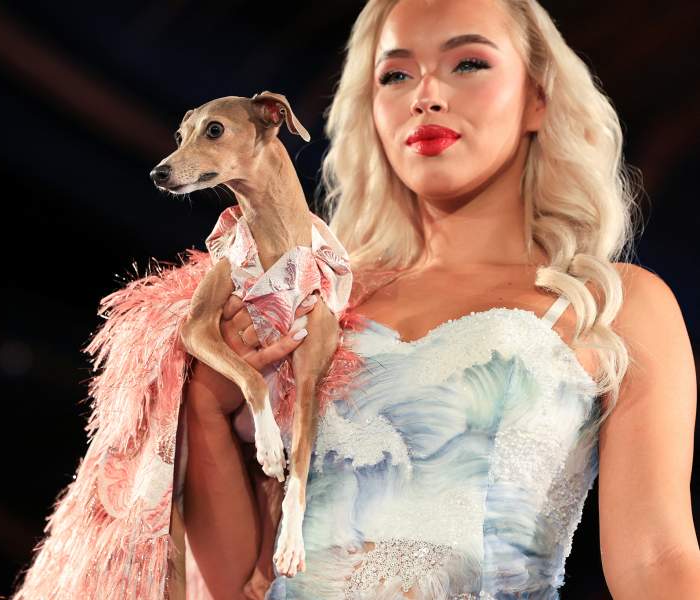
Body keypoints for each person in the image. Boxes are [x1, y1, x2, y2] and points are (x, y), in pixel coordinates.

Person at [185, 0, 700, 598]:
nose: (425, 95)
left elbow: (656, 558)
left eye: (468, 63)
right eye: (396, 75)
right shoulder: (316, 291)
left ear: (538, 97)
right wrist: (204, 407)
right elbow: (236, 578)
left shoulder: (612, 304)